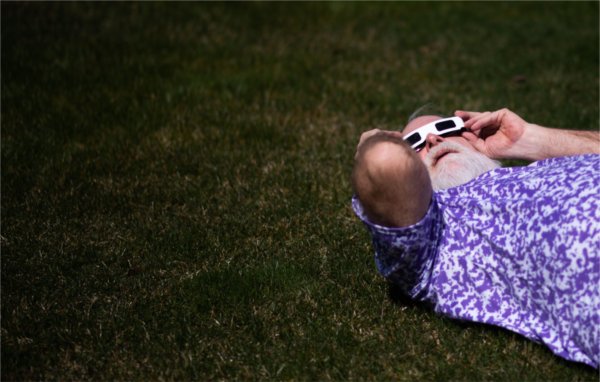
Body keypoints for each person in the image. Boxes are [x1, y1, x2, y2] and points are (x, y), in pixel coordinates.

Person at [351, 108, 600, 368]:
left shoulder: (544, 168)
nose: (434, 141)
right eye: (414, 143)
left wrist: (532, 139)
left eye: (447, 129)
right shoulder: (430, 241)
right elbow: (383, 162)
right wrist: (377, 145)